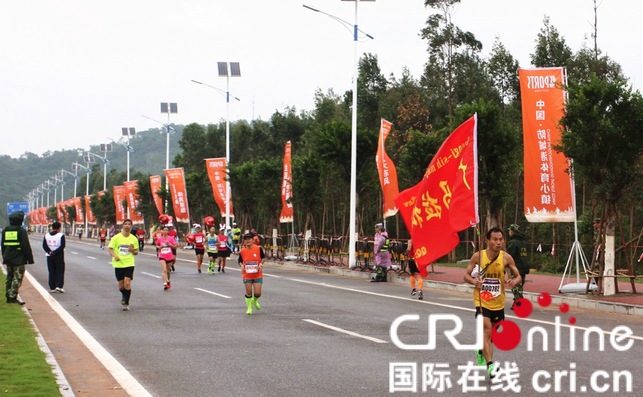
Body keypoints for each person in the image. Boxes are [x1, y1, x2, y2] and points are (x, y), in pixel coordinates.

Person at [463, 227, 521, 378]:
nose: (498, 242)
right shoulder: (478, 257)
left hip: (498, 301)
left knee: (492, 335)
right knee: (487, 330)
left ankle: (481, 350)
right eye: (495, 239)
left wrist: (513, 281)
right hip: (482, 300)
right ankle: (490, 365)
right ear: (487, 241)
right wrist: (474, 281)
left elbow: (518, 276)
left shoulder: (506, 258)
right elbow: (466, 276)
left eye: (501, 239)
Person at [1, 211, 34, 305]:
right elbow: (25, 246)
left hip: (8, 257)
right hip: (19, 258)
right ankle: (12, 297)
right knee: (18, 278)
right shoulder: (21, 231)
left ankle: (8, 295)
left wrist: (4, 255)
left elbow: (3, 245)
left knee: (9, 277)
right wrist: (30, 259)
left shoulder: (5, 230)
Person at [107, 219, 139, 311]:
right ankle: (124, 295)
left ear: (131, 226)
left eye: (129, 224)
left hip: (129, 263)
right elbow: (110, 249)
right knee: (121, 286)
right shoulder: (116, 238)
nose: (127, 226)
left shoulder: (134, 239)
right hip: (118, 264)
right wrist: (115, 256)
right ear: (123, 226)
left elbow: (136, 252)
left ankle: (126, 301)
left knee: (127, 283)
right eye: (126, 224)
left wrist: (132, 250)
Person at [238, 232, 265, 315]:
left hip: (257, 274)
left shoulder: (258, 248)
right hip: (247, 274)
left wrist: (260, 264)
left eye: (249, 239)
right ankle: (249, 308)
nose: (248, 240)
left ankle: (254, 300)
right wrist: (242, 266)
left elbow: (263, 258)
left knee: (257, 293)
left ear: (253, 240)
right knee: (249, 292)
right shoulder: (242, 251)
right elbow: (239, 261)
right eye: (246, 239)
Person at [507, 224, 530, 310]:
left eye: (510, 231)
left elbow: (510, 256)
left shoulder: (513, 243)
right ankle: (516, 303)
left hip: (516, 267)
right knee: (519, 286)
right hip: (524, 267)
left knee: (515, 287)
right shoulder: (523, 242)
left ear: (512, 232)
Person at [43, 221, 66, 293]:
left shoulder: (46, 235)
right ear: (59, 228)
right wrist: (55, 252)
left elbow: (44, 246)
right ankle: (59, 286)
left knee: (51, 271)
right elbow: (62, 246)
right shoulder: (61, 235)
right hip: (58, 255)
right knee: (60, 270)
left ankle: (52, 287)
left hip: (49, 256)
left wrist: (50, 252)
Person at [156, 226, 178, 290]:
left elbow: (175, 246)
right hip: (162, 256)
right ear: (162, 231)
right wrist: (159, 247)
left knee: (168, 270)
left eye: (166, 230)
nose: (165, 231)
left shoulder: (171, 238)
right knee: (164, 270)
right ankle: (165, 283)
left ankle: (168, 280)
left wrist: (170, 244)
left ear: (168, 232)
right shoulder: (160, 238)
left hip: (169, 256)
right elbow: (157, 245)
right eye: (164, 230)